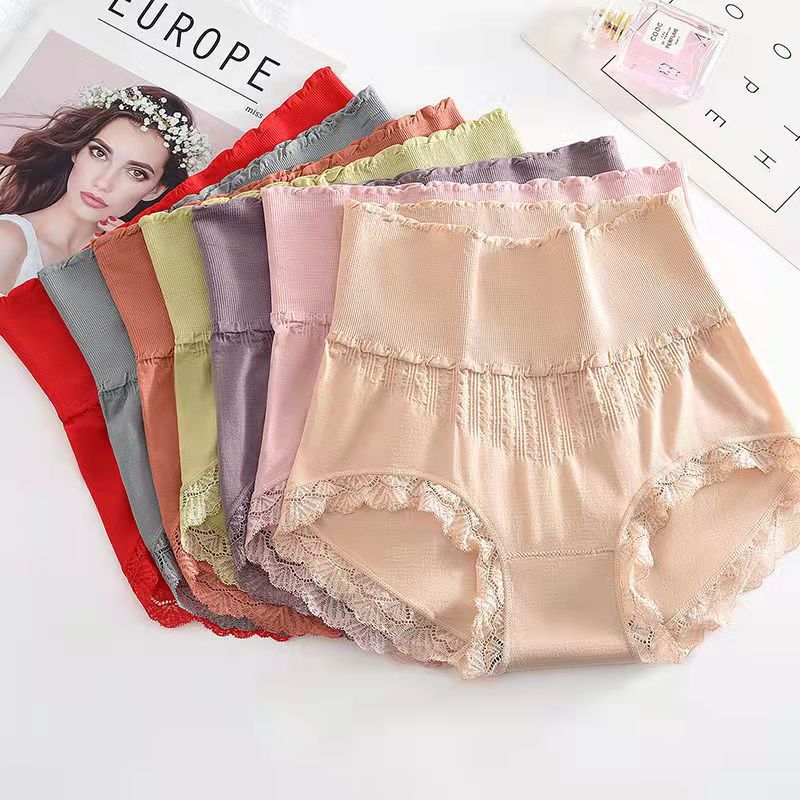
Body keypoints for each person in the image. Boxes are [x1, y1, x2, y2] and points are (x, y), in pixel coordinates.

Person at [0, 85, 210, 294]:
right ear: (77, 150)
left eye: (136, 173)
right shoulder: (7, 240)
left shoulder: (119, 266)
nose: (104, 183)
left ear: (155, 190)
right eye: (99, 153)